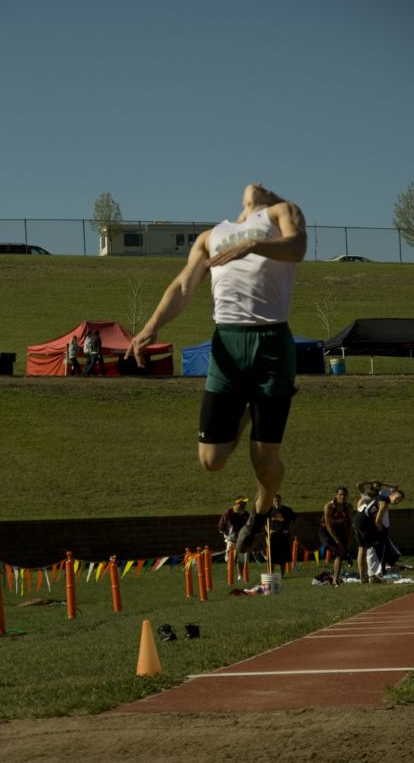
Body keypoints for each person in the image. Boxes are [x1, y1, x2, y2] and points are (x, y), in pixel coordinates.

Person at [125, 183, 306, 549]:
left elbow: (297, 247)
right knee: (211, 460)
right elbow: (182, 286)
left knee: (265, 464)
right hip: (227, 344)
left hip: (271, 343)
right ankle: (248, 410)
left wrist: (252, 245)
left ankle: (261, 510)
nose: (257, 183)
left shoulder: (280, 212)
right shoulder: (212, 235)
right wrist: (150, 327)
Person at [354, 488, 405, 583]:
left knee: (362, 548)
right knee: (372, 548)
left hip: (357, 519)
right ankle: (372, 576)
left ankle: (362, 578)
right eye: (397, 498)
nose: (397, 501)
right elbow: (377, 522)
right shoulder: (384, 504)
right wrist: (383, 531)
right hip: (364, 523)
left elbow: (374, 516)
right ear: (392, 494)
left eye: (399, 501)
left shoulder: (379, 497)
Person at [319, 487, 353, 587]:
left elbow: (350, 524)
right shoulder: (329, 506)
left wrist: (349, 539)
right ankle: (332, 552)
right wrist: (337, 542)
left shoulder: (349, 507)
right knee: (333, 546)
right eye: (340, 494)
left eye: (345, 495)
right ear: (336, 495)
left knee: (340, 553)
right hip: (326, 530)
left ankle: (335, 580)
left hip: (340, 528)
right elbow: (328, 525)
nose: (343, 497)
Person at [219, 496, 250, 578]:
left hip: (242, 540)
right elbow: (221, 525)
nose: (245, 505)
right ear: (238, 503)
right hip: (231, 539)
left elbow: (250, 526)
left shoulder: (246, 514)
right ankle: (230, 577)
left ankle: (240, 575)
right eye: (243, 503)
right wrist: (227, 535)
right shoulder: (228, 513)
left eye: (245, 503)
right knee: (229, 559)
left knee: (242, 559)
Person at [267, 494, 296, 576]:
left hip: (283, 536)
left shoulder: (287, 510)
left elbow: (294, 520)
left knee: (282, 558)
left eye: (278, 500)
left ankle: (282, 574)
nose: (277, 502)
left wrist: (290, 529)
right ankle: (271, 574)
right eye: (275, 501)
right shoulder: (270, 511)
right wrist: (268, 531)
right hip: (273, 537)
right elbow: (264, 522)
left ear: (281, 500)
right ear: (273, 502)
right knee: (272, 557)